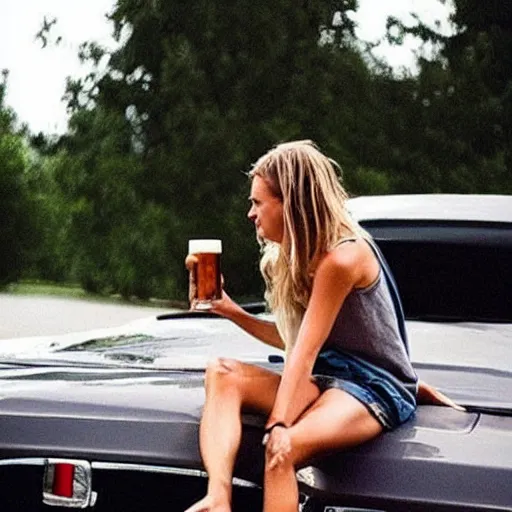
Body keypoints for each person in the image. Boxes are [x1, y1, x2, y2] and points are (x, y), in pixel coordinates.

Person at [184, 140, 462, 512]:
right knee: (221, 372)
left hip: (372, 387)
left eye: (257, 202)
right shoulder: (297, 257)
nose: (250, 214)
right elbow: (294, 341)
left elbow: (305, 350)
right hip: (326, 377)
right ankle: (218, 498)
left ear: (291, 203)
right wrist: (230, 310)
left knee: (282, 451)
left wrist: (279, 424)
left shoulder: (343, 257)